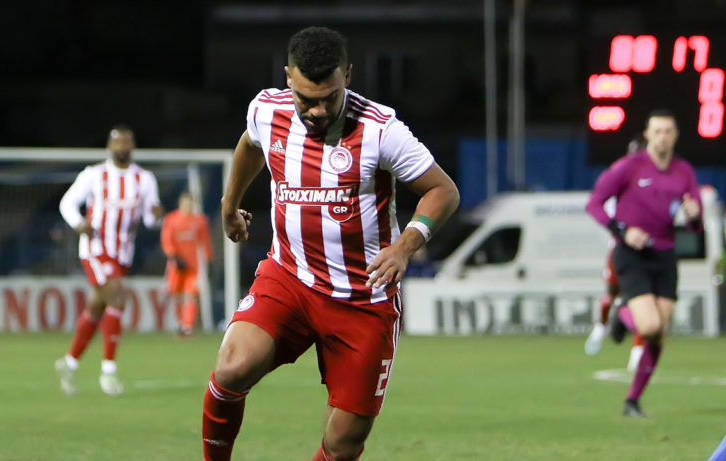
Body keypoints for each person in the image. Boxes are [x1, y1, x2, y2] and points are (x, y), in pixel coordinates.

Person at [200, 26, 459, 460]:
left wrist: (404, 246)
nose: (318, 110)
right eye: (307, 99)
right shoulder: (267, 110)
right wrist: (230, 205)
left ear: (348, 77)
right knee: (232, 368)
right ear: (288, 78)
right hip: (290, 278)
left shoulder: (380, 129)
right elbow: (250, 145)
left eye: (329, 97)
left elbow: (442, 190)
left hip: (363, 298)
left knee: (343, 443)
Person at [585, 110, 702, 417]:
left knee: (657, 333)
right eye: (657, 131)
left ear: (675, 136)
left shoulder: (683, 171)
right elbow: (594, 204)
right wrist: (622, 230)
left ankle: (632, 400)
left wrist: (694, 215)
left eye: (668, 131)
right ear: (648, 135)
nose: (663, 137)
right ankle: (621, 317)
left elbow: (696, 224)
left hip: (665, 256)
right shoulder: (629, 166)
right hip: (631, 253)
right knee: (650, 325)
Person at [55, 125, 163, 396]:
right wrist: (78, 223)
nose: (122, 147)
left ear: (133, 146)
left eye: (126, 142)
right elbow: (67, 203)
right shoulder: (93, 175)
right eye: (117, 142)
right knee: (117, 297)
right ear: (109, 146)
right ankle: (108, 371)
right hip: (95, 248)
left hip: (122, 253)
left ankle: (69, 363)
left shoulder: (145, 179)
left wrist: (156, 216)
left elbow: (149, 219)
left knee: (96, 307)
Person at [584, 133, 647, 372]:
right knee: (611, 294)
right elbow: (599, 207)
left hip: (646, 253)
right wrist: (622, 229)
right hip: (620, 249)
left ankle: (636, 356)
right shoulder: (619, 178)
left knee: (641, 302)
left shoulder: (657, 179)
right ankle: (601, 329)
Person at [161, 190, 213, 336]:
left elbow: (205, 241)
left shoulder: (200, 221)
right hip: (176, 265)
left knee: (190, 294)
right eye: (185, 203)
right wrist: (174, 256)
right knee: (177, 294)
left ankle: (187, 326)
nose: (188, 206)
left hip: (193, 266)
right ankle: (181, 322)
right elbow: (166, 240)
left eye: (190, 203)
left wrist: (208, 259)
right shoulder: (171, 219)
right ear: (180, 204)